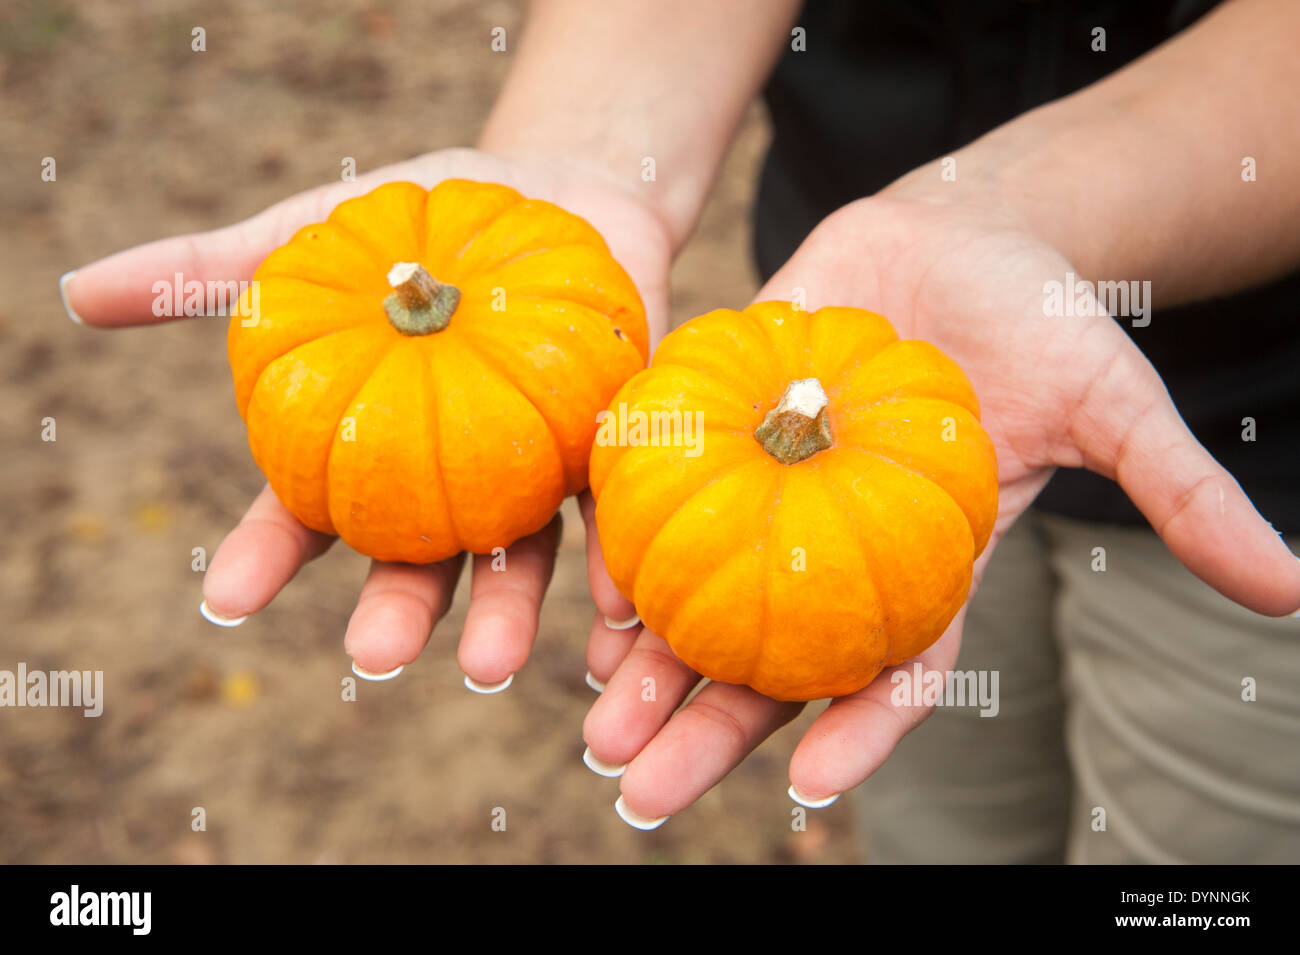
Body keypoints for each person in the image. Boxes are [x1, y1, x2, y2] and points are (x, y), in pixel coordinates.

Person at [61, 0, 1300, 861]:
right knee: (943, 818)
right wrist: (580, 152)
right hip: (882, 350)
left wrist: (1015, 218)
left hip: (1252, 419)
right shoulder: (735, 400)